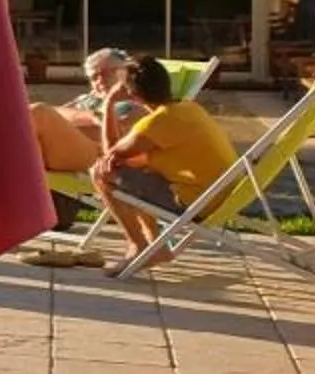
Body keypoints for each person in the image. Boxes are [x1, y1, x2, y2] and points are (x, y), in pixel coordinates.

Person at [90, 55, 238, 269]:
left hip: (197, 204)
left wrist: (110, 103)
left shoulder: (156, 124)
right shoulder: (189, 109)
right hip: (221, 195)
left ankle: (139, 246)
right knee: (140, 172)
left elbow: (109, 158)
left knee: (101, 174)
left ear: (132, 94)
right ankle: (156, 247)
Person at [29, 48, 142, 175]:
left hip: (99, 154)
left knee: (37, 113)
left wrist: (67, 119)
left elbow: (101, 132)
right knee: (24, 115)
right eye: (94, 77)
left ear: (125, 72)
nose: (100, 80)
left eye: (106, 73)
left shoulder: (132, 102)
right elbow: (55, 113)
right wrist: (90, 116)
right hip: (65, 147)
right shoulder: (86, 99)